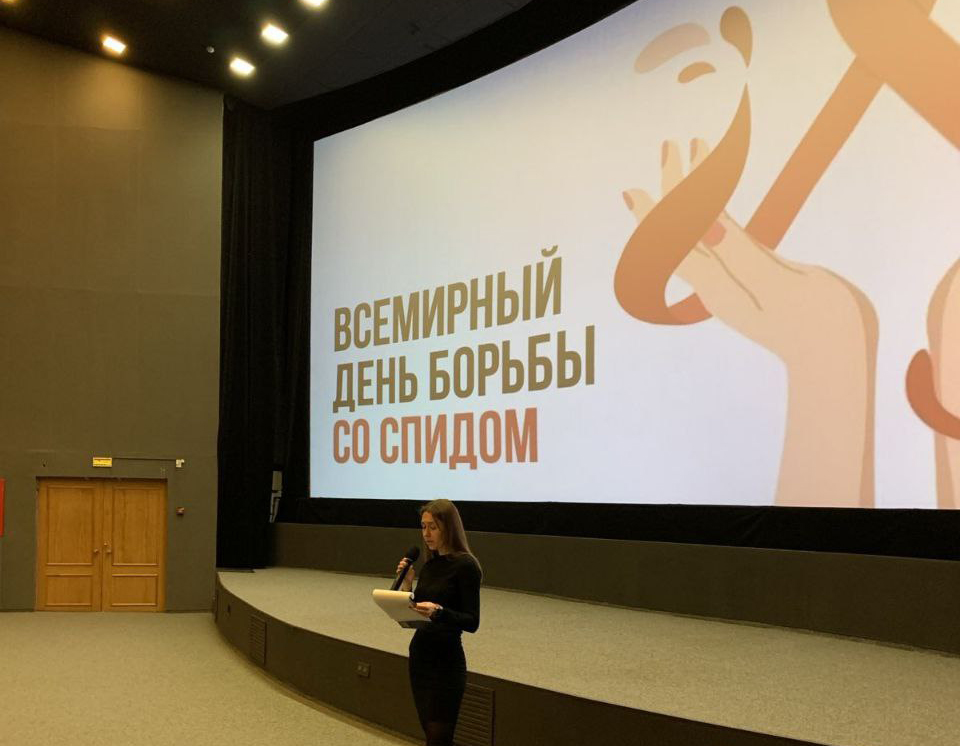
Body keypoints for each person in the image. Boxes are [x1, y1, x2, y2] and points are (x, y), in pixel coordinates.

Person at [396, 499, 482, 746]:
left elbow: (472, 621)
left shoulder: (466, 566)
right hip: (420, 657)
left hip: (445, 663)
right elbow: (417, 612)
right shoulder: (430, 565)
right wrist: (407, 586)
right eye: (423, 527)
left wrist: (440, 612)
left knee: (439, 737)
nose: (426, 534)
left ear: (449, 528)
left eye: (432, 527)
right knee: (430, 732)